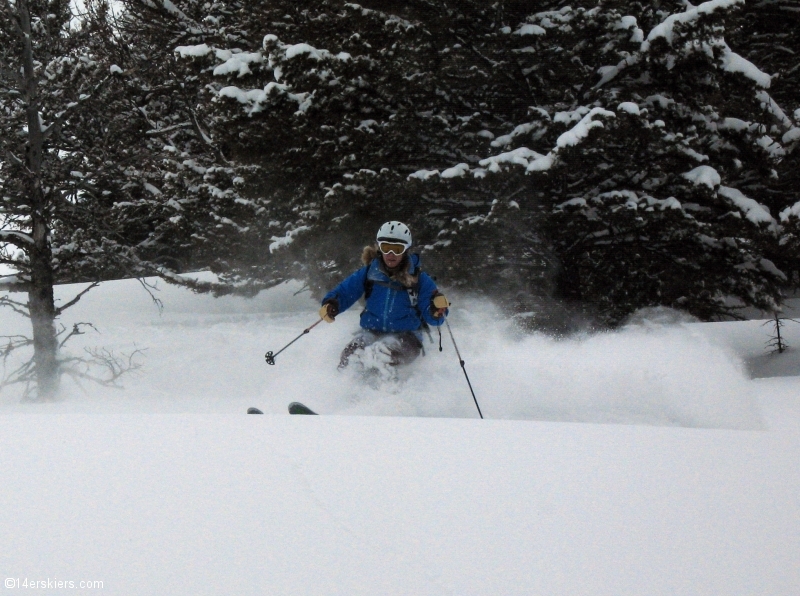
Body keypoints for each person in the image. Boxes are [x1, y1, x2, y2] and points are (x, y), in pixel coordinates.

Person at [319, 221, 449, 370]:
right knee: (351, 355)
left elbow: (433, 315)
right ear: (380, 248)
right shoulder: (369, 273)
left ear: (405, 250)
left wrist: (436, 309)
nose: (391, 254)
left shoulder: (419, 278)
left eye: (397, 249)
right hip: (371, 331)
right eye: (386, 248)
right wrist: (332, 303)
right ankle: (345, 389)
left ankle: (389, 392)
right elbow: (345, 291)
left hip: (407, 336)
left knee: (383, 355)